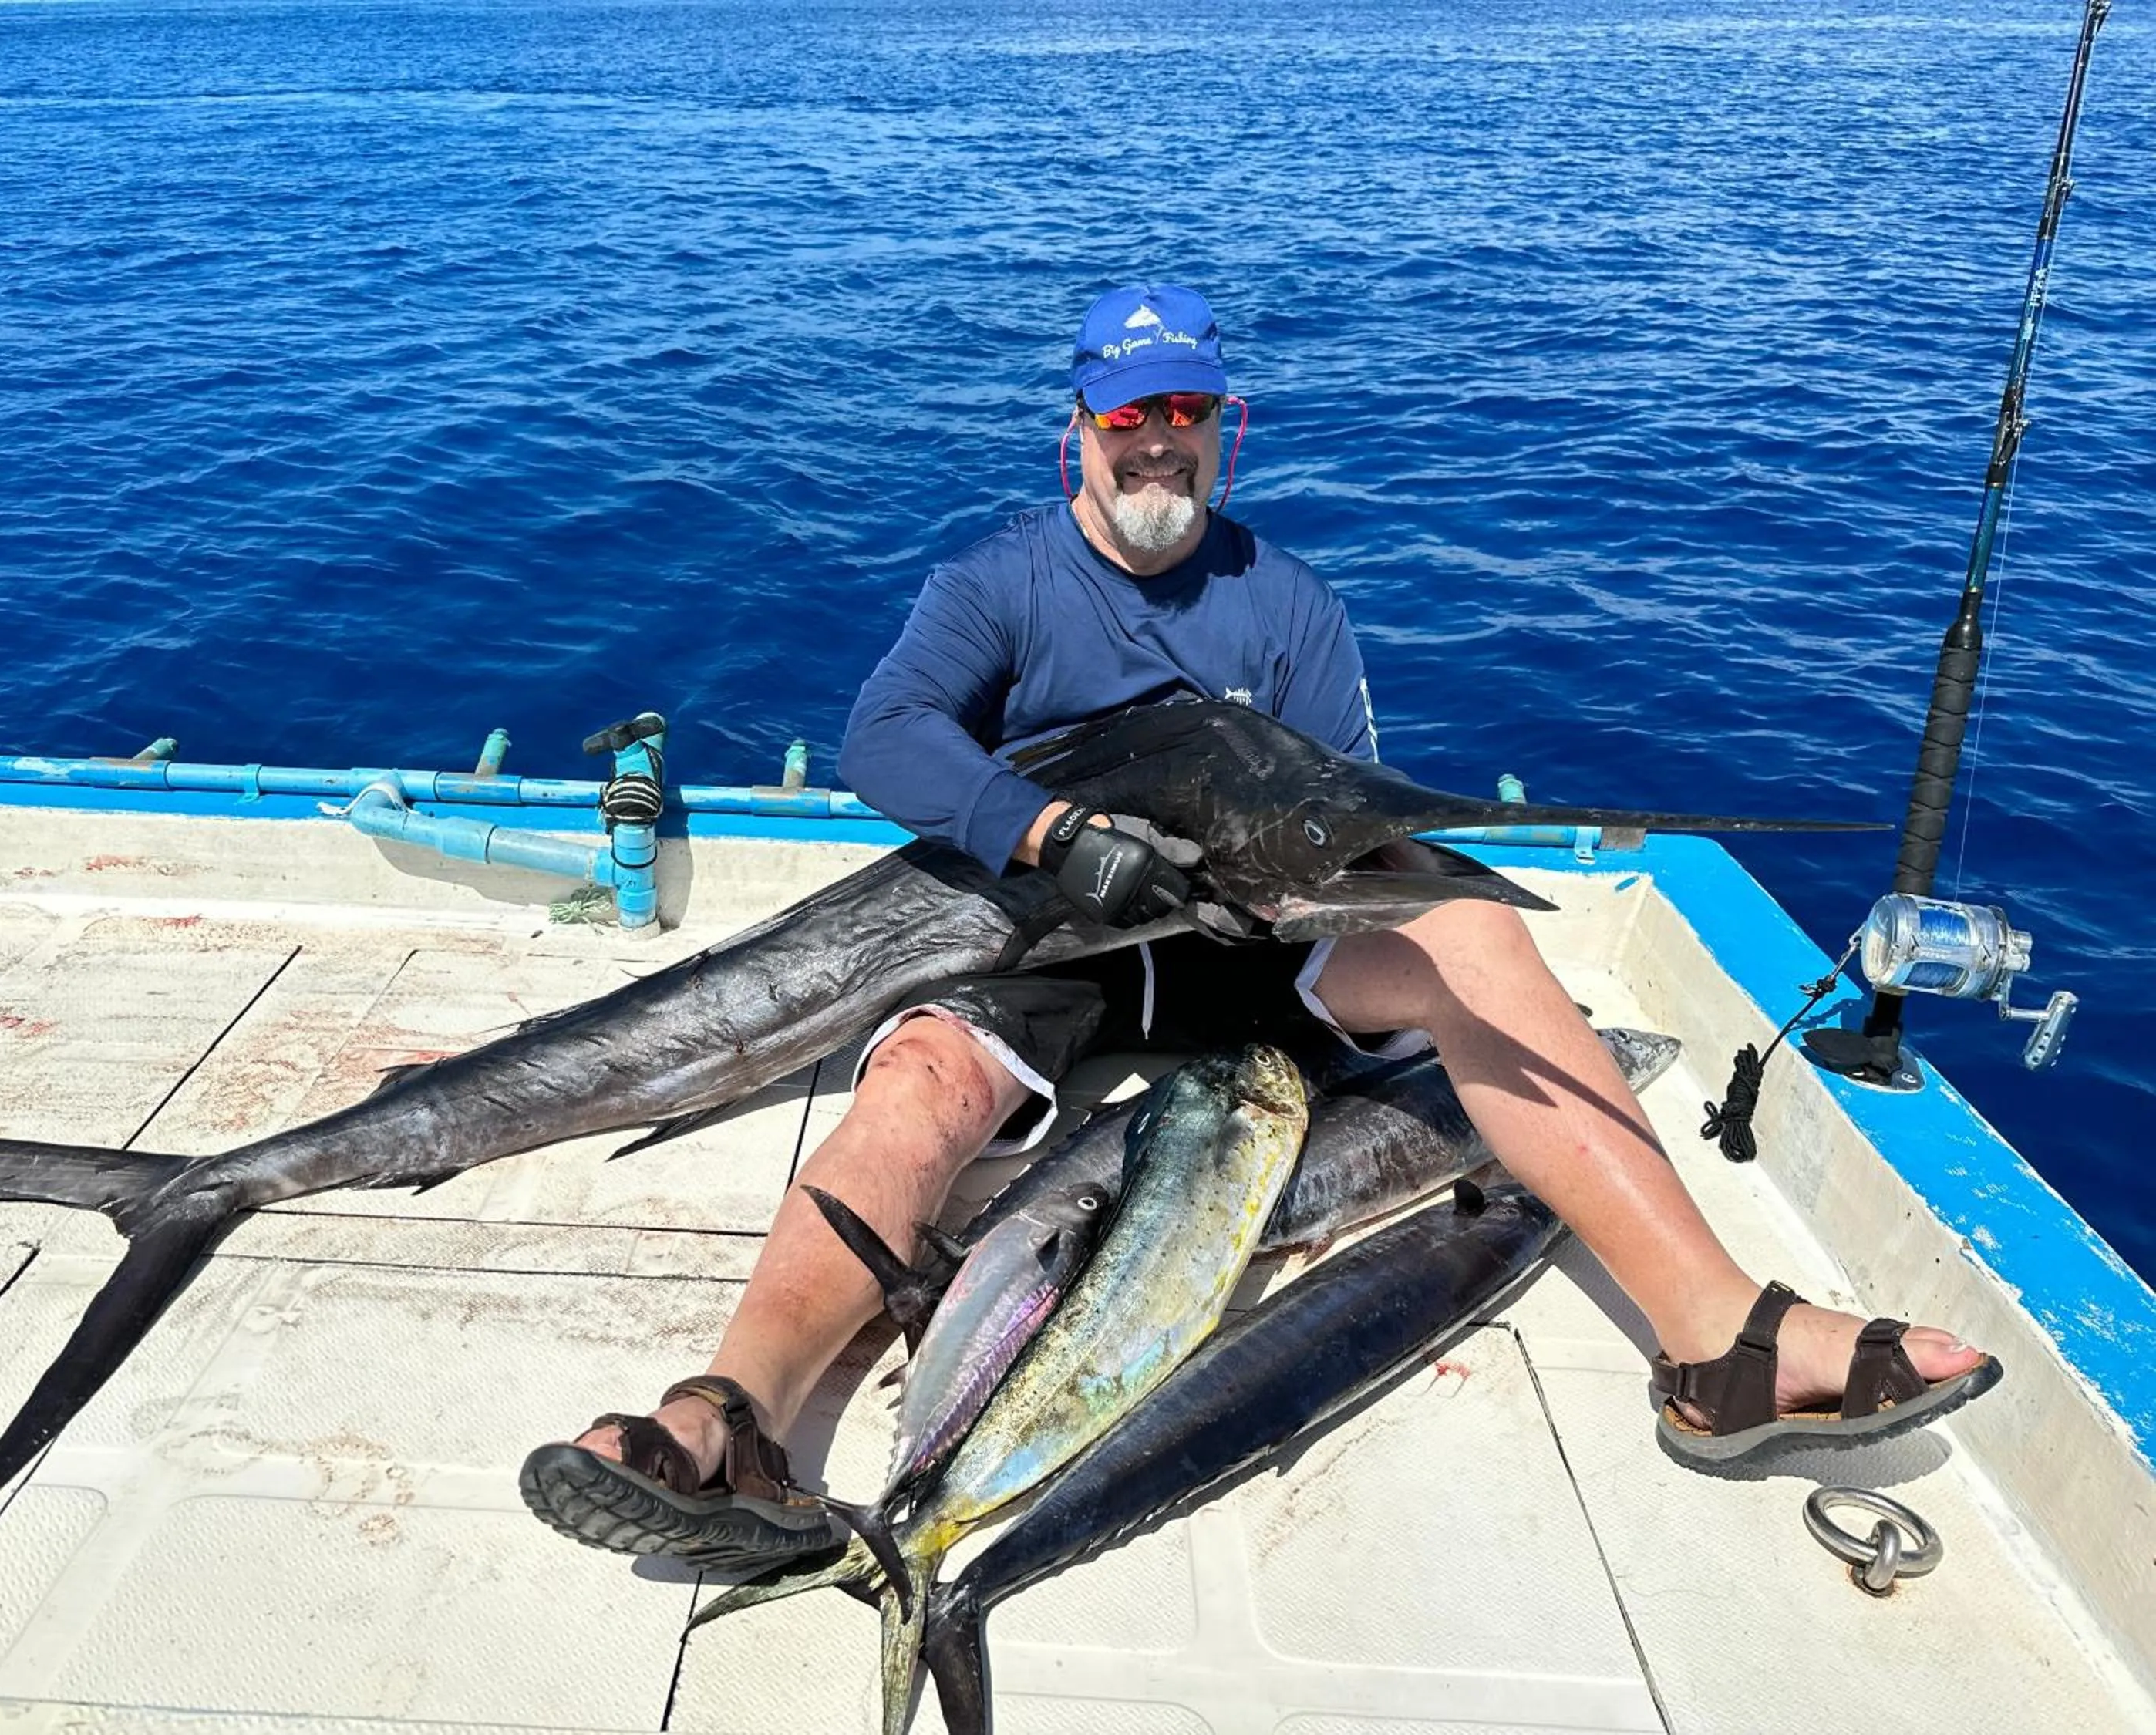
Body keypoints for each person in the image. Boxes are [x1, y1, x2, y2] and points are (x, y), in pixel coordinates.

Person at [519, 285, 1999, 1567]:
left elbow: (1345, 824)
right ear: (1076, 438)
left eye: (1186, 412)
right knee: (917, 1081)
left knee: (1475, 933)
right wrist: (1051, 834)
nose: (1157, 439)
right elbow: (887, 736)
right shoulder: (997, 579)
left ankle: (1717, 1339)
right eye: (1126, 415)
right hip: (1054, 936)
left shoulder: (1291, 605)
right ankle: (736, 1418)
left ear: (1228, 430)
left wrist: (1322, 892)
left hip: (1244, 946)